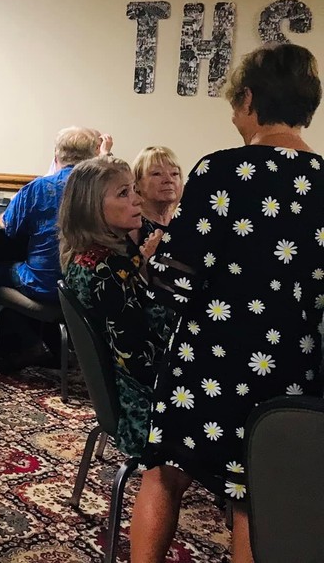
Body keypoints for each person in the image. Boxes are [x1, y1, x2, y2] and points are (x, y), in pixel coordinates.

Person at [131, 43, 324, 563]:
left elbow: (174, 279)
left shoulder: (218, 170)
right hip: (287, 362)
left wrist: (155, 266)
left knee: (164, 471)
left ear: (249, 99)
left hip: (207, 353)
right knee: (254, 494)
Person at [59, 156, 174, 455]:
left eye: (134, 189)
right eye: (124, 193)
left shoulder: (96, 257)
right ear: (91, 207)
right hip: (143, 409)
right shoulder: (106, 272)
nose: (137, 199)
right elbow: (141, 361)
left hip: (130, 392)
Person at [0, 126, 101, 368]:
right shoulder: (102, 193)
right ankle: (60, 347)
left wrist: (4, 218)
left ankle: (30, 344)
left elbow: (10, 227)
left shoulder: (39, 188)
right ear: (93, 155)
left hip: (43, 283)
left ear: (57, 154)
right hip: (88, 286)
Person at [132, 146, 183, 229]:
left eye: (174, 173)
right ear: (136, 183)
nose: (169, 180)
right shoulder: (131, 226)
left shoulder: (185, 220)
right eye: (157, 173)